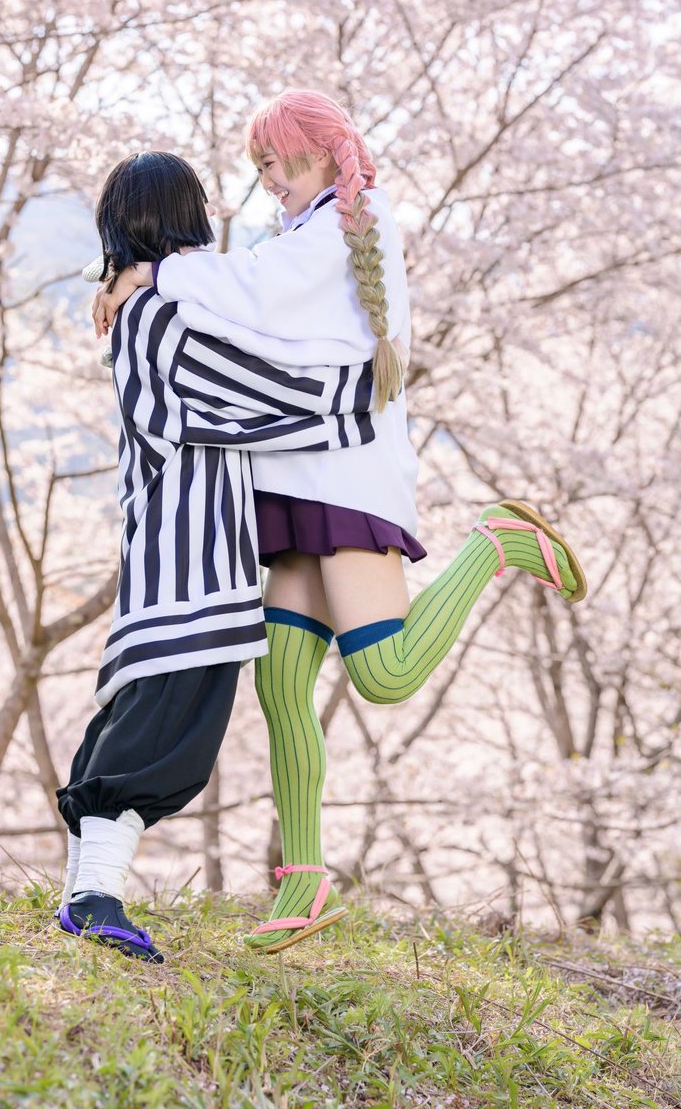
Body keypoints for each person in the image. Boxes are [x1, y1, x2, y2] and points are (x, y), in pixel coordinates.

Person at [93, 90, 587, 954]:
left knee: (385, 673)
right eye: (258, 167)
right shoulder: (304, 232)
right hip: (291, 484)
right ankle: (305, 880)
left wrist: (151, 273)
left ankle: (496, 541)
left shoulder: (349, 226)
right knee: (283, 682)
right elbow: (242, 315)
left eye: (272, 163)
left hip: (345, 481)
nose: (265, 181)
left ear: (317, 154)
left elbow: (255, 292)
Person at [58, 150, 382, 963]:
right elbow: (253, 388)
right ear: (180, 217)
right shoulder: (157, 316)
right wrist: (364, 386)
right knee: (164, 733)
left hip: (181, 557)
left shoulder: (148, 307)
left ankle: (85, 895)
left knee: (149, 720)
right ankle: (92, 900)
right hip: (190, 567)